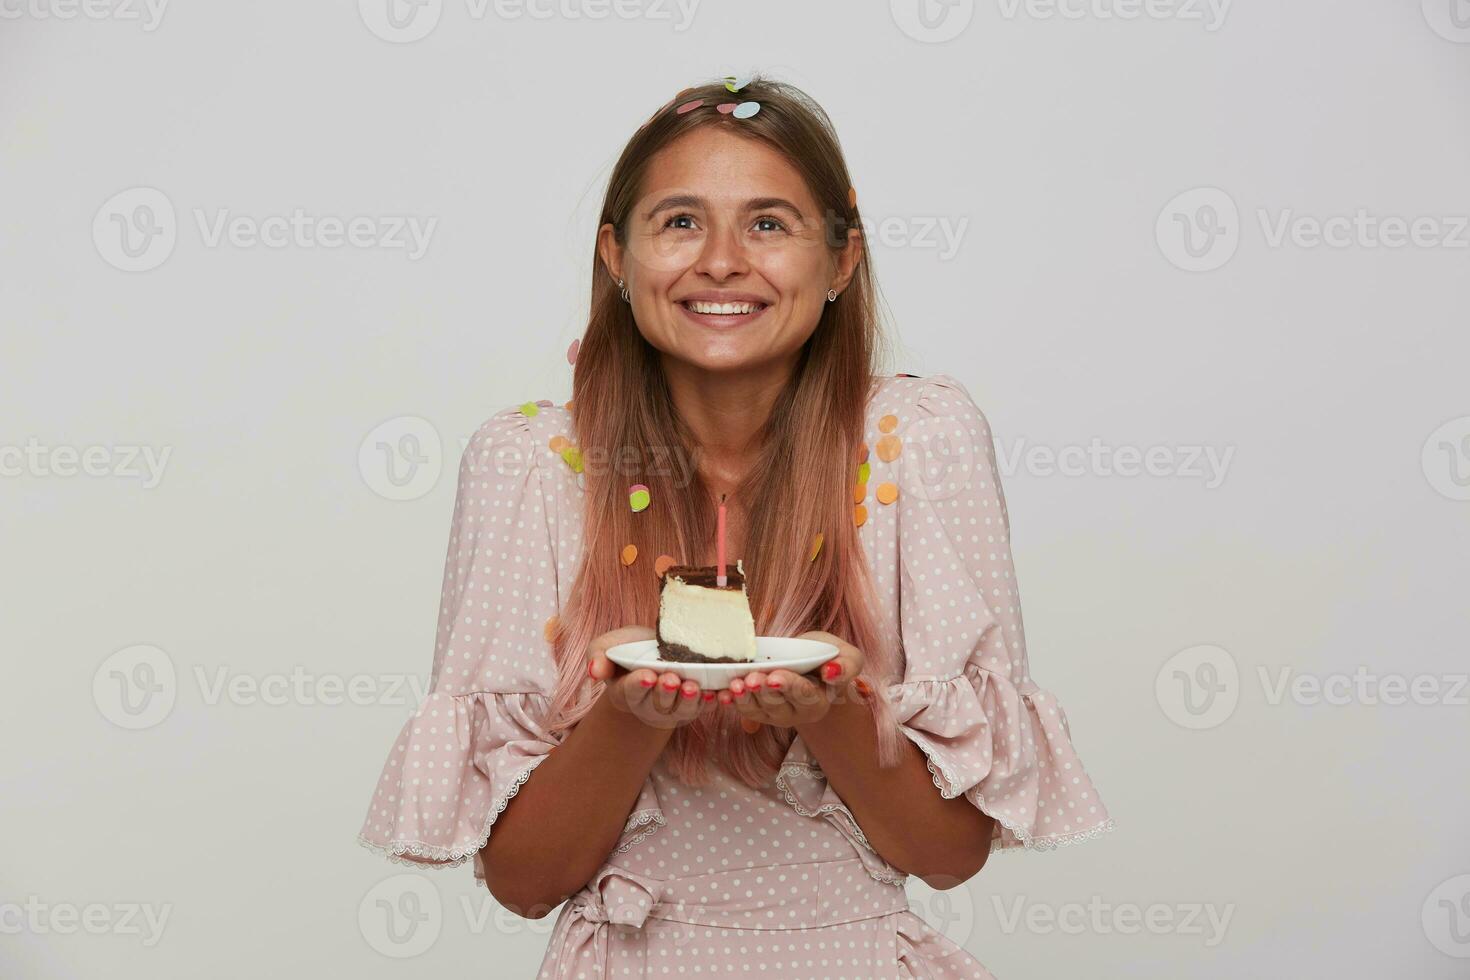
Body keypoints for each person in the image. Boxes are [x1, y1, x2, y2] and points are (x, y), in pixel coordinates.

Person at [357, 75, 1113, 978]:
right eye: (679, 222)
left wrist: (835, 709)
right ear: (617, 257)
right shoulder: (530, 466)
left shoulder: (921, 444)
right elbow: (524, 881)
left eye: (768, 224)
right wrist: (631, 717)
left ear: (840, 260)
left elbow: (948, 856)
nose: (721, 260)